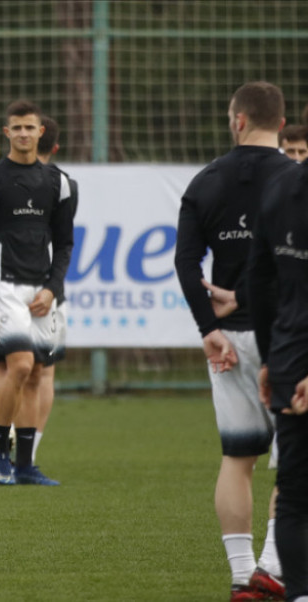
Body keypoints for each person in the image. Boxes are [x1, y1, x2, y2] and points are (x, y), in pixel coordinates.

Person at [174, 81, 289, 601]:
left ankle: (243, 576)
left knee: (237, 459)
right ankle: (273, 565)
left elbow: (185, 263)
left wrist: (209, 330)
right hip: (288, 337)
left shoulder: (205, 181)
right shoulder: (296, 180)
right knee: (295, 462)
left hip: (230, 343)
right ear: (281, 124)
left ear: (238, 120)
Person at [0, 100, 74, 487]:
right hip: (5, 285)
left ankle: (26, 465)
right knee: (22, 366)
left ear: (40, 132)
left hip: (41, 291)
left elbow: (64, 244)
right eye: (17, 128)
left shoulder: (59, 183)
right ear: (7, 132)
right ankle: (0, 454)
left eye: (30, 127)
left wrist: (52, 289)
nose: (24, 134)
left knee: (38, 373)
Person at [247, 160, 308, 602]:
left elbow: (259, 280)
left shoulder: (280, 188)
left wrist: (271, 358)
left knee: (294, 495)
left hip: (289, 357)